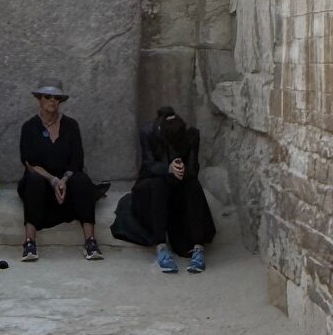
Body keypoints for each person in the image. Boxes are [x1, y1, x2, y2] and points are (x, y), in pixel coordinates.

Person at [111, 105, 215, 274]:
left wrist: (182, 170)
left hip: (180, 186)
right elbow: (148, 166)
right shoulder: (148, 132)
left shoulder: (191, 134)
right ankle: (161, 246)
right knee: (158, 183)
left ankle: (198, 247)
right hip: (152, 187)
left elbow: (194, 168)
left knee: (193, 185)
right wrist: (168, 168)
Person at [16, 81, 104, 264]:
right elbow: (29, 162)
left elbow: (77, 161)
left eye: (56, 98)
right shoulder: (29, 127)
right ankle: (29, 242)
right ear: (39, 99)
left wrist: (63, 179)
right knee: (33, 181)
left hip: (67, 180)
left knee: (82, 181)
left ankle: (91, 241)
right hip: (42, 180)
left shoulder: (71, 125)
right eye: (47, 97)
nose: (52, 101)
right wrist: (53, 180)